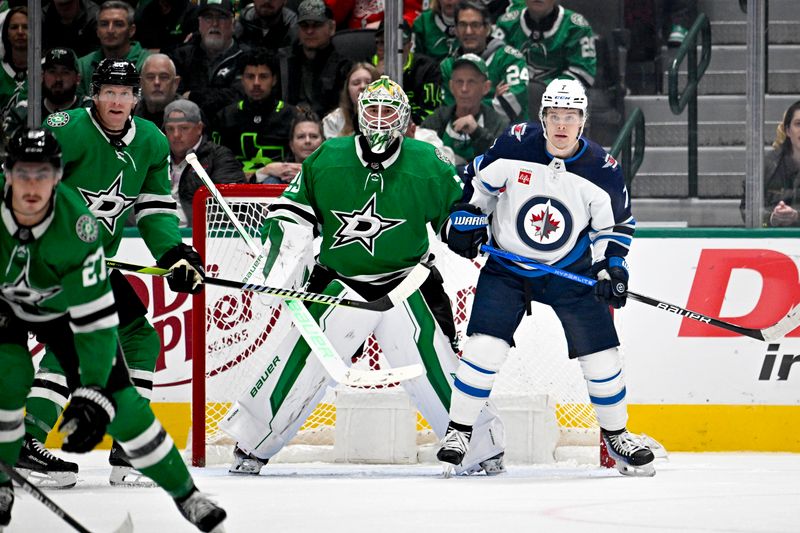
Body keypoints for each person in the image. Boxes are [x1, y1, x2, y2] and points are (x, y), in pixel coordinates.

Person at [220, 76, 506, 477]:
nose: (379, 119)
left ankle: (480, 448)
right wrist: (277, 265)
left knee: (435, 363)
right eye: (371, 110)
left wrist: (468, 232)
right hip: (341, 283)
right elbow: (292, 212)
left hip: (405, 282)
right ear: (359, 113)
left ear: (404, 118)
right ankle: (252, 442)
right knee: (301, 361)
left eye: (388, 111)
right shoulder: (328, 156)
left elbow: (457, 217)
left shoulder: (429, 161)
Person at [0, 128, 226, 532]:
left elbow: (96, 324)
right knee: (8, 377)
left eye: (43, 173)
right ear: (7, 175)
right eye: (23, 173)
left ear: (58, 175)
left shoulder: (80, 228)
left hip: (59, 306)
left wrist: (94, 394)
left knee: (124, 405)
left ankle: (188, 496)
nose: (32, 185)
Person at [436, 78, 656, 477]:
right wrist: (464, 216)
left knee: (602, 355)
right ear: (542, 118)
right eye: (554, 116)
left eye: (570, 117)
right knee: (484, 348)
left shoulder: (602, 169)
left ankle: (617, 435)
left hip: (569, 271)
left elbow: (615, 228)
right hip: (507, 266)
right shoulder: (516, 144)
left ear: (582, 121)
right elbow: (477, 186)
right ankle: (459, 431)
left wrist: (612, 266)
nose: (561, 125)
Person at [19, 59, 207, 490]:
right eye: (109, 92)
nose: (117, 101)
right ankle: (26, 441)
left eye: (125, 93)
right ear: (95, 94)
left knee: (139, 338)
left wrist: (175, 254)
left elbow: (154, 211)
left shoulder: (152, 143)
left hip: (92, 266)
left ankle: (127, 454)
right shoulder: (64, 128)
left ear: (136, 98)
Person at [493, 0, 596, 108]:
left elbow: (584, 74)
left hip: (563, 105)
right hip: (513, 99)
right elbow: (494, 65)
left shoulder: (576, 27)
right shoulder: (507, 23)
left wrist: (544, 92)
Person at [212, 47, 297, 177]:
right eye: (250, 77)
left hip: (280, 188)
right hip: (234, 189)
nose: (256, 83)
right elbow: (215, 164)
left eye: (263, 77)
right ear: (242, 80)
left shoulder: (292, 116)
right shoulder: (225, 116)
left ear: (274, 80)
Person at [441, 1, 529, 123]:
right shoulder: (447, 66)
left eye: (475, 25)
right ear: (455, 29)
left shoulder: (510, 59)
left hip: (508, 136)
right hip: (459, 138)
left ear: (487, 29)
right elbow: (449, 112)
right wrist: (494, 101)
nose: (468, 31)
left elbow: (513, 104)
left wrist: (468, 108)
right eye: (462, 25)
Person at [165, 99, 245, 225]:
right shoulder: (156, 158)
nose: (176, 135)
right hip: (148, 234)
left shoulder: (219, 157)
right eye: (170, 129)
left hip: (198, 234)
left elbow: (231, 206)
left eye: (184, 128)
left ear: (199, 128)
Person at [422, 54, 508, 167]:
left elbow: (503, 160)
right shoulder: (438, 118)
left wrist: (477, 132)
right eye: (459, 82)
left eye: (471, 82)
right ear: (451, 86)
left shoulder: (497, 122)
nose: (464, 89)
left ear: (486, 87)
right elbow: (421, 151)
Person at [168, 0, 249, 118]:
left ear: (233, 24)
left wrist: (193, 96)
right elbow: (175, 98)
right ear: (199, 23)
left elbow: (239, 96)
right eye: (208, 17)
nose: (215, 24)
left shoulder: (245, 57)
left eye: (222, 17)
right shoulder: (181, 56)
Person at [279, 0, 353, 118]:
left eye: (317, 25)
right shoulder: (282, 61)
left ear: (332, 28)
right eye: (304, 25)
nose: (309, 31)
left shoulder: (344, 67)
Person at [3, 47, 91, 144]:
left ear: (77, 78)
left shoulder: (91, 110)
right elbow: (7, 150)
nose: (58, 79)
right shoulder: (24, 111)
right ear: (42, 76)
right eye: (52, 72)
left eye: (65, 72)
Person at [372, 19, 441, 125]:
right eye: (384, 43)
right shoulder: (366, 68)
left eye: (398, 44)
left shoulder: (427, 68)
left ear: (409, 46)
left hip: (415, 130)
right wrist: (375, 78)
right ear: (377, 45)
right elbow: (357, 109)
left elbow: (431, 111)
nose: (391, 49)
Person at [77, 1, 151, 97]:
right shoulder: (82, 65)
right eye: (104, 24)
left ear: (132, 30)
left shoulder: (149, 63)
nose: (110, 30)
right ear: (97, 31)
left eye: (118, 24)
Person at [255, 109, 324, 183]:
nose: (307, 141)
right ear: (291, 145)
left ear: (323, 143)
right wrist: (266, 170)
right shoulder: (279, 175)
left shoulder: (334, 169)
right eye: (301, 136)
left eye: (313, 136)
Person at [761, 100, 800, 227]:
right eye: (798, 124)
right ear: (787, 130)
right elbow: (747, 208)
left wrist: (797, 216)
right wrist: (771, 217)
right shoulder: (767, 165)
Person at [321, 61, 379, 139]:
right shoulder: (333, 120)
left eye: (369, 83)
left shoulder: (393, 118)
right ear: (347, 90)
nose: (362, 86)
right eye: (356, 83)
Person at [134, 54, 182, 128]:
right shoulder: (129, 115)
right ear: (141, 83)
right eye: (150, 77)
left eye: (164, 77)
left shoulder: (189, 114)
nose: (157, 82)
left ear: (175, 83)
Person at [134, 0, 198, 53]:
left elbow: (189, 50)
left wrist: (159, 51)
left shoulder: (192, 12)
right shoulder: (146, 12)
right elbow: (139, 46)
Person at [0, 7, 27, 117]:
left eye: (26, 27)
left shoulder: (46, 69)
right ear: (6, 33)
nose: (20, 32)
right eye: (14, 27)